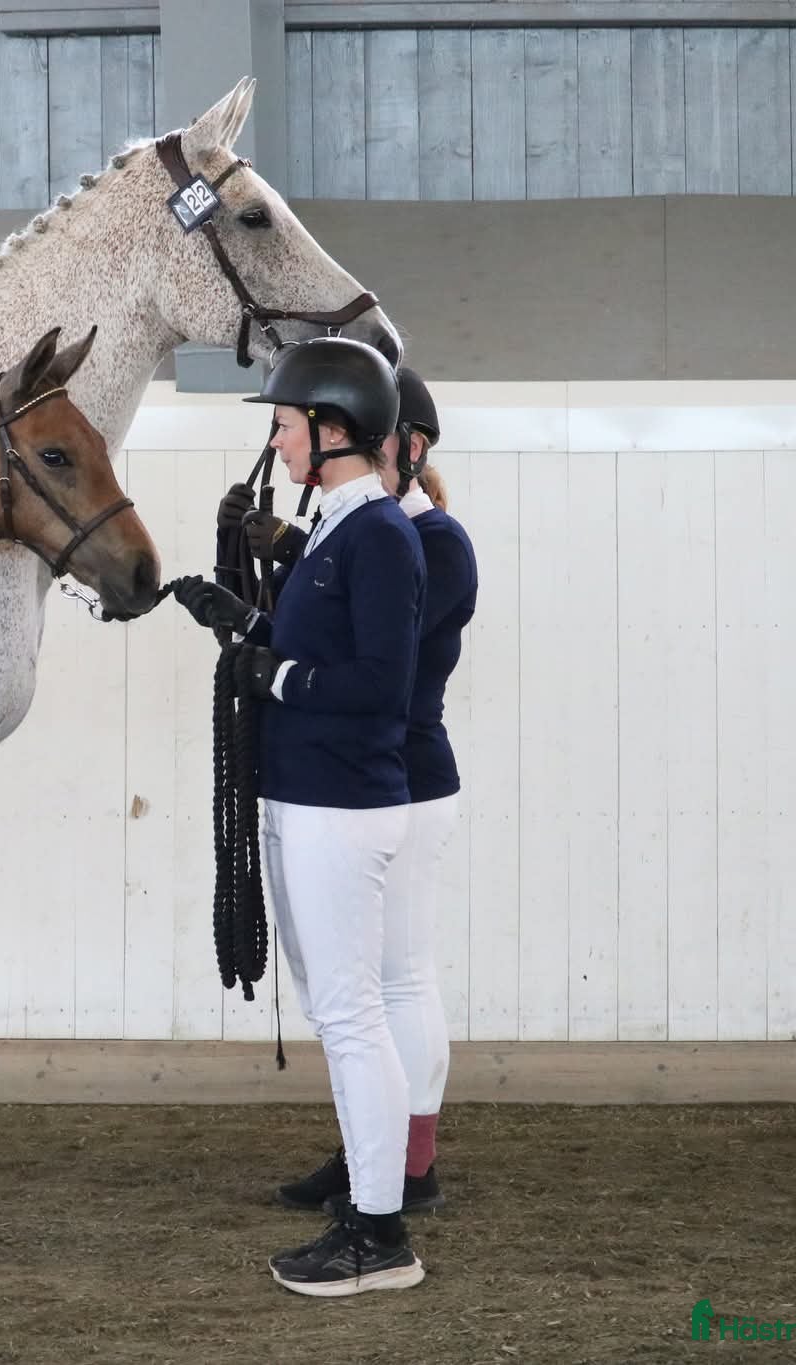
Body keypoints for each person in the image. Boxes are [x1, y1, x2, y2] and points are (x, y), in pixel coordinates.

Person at [169, 337, 427, 1297]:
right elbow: (315, 639)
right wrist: (242, 620)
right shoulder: (337, 529)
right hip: (308, 798)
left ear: (330, 430)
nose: (275, 447)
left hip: (340, 806)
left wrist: (273, 671)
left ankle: (379, 1232)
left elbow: (377, 685)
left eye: (283, 427)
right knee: (340, 1012)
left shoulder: (380, 536)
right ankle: (367, 1207)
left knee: (352, 1015)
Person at [239, 369, 477, 1221]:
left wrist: (287, 663)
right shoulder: (369, 530)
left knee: (396, 981)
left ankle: (407, 1164)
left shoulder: (423, 541)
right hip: (368, 770)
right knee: (375, 986)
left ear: (400, 447)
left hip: (395, 773)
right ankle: (376, 1153)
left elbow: (378, 658)